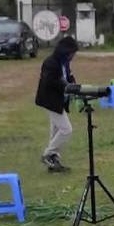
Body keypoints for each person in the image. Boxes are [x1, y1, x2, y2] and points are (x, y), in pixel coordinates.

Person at [35, 33, 79, 172]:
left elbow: (68, 76)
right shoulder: (50, 62)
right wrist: (66, 86)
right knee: (66, 130)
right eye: (72, 53)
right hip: (50, 101)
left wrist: (73, 84)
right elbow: (50, 81)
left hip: (59, 101)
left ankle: (53, 161)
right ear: (65, 51)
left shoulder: (64, 63)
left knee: (55, 131)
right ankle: (48, 154)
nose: (73, 56)